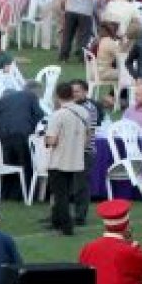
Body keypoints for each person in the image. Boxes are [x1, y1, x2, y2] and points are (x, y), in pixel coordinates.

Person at [46, 82, 91, 236]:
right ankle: (57, 221)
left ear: (58, 96)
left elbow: (52, 140)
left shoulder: (58, 114)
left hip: (59, 159)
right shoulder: (84, 112)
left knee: (60, 195)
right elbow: (87, 136)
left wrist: (45, 140)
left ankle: (66, 226)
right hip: (76, 159)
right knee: (66, 193)